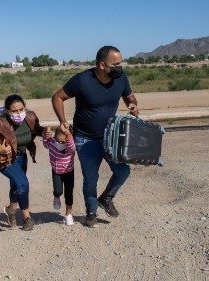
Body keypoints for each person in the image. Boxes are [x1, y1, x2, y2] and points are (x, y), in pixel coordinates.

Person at [51, 46, 140, 228]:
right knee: (91, 179)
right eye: (115, 64)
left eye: (120, 63)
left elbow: (130, 97)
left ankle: (106, 198)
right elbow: (57, 97)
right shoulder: (82, 80)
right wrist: (62, 121)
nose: (120, 67)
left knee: (123, 171)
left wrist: (132, 106)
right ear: (101, 65)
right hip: (85, 139)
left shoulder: (121, 78)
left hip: (112, 138)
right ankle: (90, 214)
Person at [0, 94, 49, 231]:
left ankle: (11, 209)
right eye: (14, 111)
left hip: (21, 156)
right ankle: (27, 218)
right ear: (7, 111)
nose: (19, 113)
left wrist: (44, 133)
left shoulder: (30, 117)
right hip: (5, 159)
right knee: (23, 183)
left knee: (16, 185)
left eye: (21, 109)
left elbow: (37, 129)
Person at [42, 124, 76, 226]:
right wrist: (46, 134)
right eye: (58, 141)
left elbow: (72, 148)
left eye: (63, 142)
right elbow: (46, 142)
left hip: (69, 172)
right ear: (55, 137)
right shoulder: (52, 143)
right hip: (56, 171)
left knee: (69, 194)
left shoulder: (70, 146)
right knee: (58, 191)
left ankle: (68, 214)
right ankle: (56, 197)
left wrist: (68, 135)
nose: (60, 143)